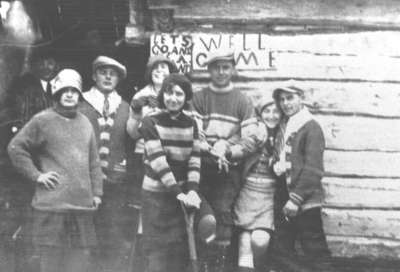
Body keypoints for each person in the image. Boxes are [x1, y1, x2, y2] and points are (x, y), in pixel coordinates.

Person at [7, 69, 103, 272]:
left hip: (81, 209)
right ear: (56, 93)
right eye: (64, 90)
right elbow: (16, 148)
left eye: (74, 90)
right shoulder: (42, 120)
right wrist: (37, 175)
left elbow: (93, 161)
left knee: (78, 266)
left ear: (79, 95)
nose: (69, 94)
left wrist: (97, 194)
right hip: (51, 210)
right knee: (51, 266)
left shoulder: (85, 123)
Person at [139, 74, 216, 272]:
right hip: (157, 195)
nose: (173, 98)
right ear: (162, 94)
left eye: (179, 94)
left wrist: (191, 191)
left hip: (182, 194)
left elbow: (194, 159)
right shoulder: (150, 121)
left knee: (180, 250)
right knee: (158, 252)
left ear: (186, 97)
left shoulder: (191, 123)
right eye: (169, 92)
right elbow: (158, 161)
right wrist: (178, 193)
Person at [191, 49, 257, 269]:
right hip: (201, 164)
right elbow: (195, 133)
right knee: (200, 214)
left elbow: (250, 139)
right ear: (209, 69)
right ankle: (201, 261)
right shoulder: (199, 97)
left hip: (228, 168)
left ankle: (217, 263)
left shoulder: (242, 101)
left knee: (223, 213)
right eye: (216, 67)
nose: (221, 72)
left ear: (233, 69)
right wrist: (213, 148)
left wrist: (227, 148)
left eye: (225, 67)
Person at [2, 45, 60, 272]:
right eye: (42, 62)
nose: (47, 66)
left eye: (51, 62)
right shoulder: (22, 88)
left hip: (50, 164)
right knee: (25, 217)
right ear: (33, 65)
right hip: (27, 166)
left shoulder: (60, 88)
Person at [79, 55, 133, 272]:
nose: (108, 76)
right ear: (94, 76)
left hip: (115, 183)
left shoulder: (126, 107)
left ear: (119, 79)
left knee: (112, 236)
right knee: (84, 237)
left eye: (113, 73)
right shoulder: (81, 102)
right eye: (103, 72)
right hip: (84, 182)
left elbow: (130, 144)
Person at [272, 83, 331, 271]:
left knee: (314, 246)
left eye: (290, 98)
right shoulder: (284, 124)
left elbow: (313, 169)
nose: (285, 104)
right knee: (283, 246)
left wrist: (295, 199)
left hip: (304, 196)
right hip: (283, 190)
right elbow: (280, 154)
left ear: (301, 98)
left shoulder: (310, 126)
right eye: (281, 99)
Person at [229, 96, 282, 272]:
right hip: (248, 193)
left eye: (276, 111)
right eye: (267, 111)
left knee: (260, 240)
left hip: (269, 195)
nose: (272, 116)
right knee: (245, 240)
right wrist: (229, 152)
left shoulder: (284, 135)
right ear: (260, 114)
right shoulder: (255, 133)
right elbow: (240, 145)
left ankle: (261, 267)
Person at [126, 55, 178, 203]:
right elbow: (133, 134)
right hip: (143, 155)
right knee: (144, 203)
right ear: (149, 72)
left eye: (163, 67)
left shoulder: (177, 94)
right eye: (155, 68)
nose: (159, 71)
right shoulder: (140, 95)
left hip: (170, 155)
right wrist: (136, 113)